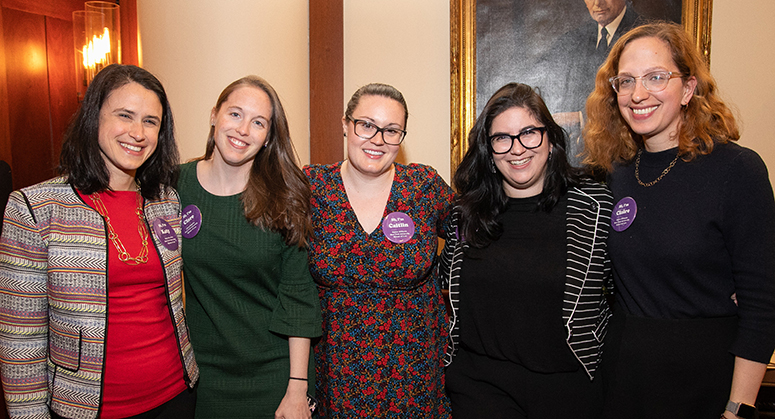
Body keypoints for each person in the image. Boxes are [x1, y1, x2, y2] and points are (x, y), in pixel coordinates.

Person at [583, 22, 775, 419]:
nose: (638, 94)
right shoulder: (614, 174)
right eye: (626, 81)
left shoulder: (736, 170)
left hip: (705, 382)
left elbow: (762, 303)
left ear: (688, 88)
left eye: (656, 77)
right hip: (623, 379)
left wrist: (737, 409)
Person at [0, 64, 199, 418]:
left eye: (151, 121)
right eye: (125, 115)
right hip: (85, 406)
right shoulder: (36, 208)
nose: (138, 133)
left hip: (175, 394)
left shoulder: (166, 202)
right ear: (94, 118)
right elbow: (20, 338)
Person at [441, 83, 613, 418]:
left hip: (570, 388)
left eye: (529, 133)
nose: (516, 148)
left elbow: (628, 285)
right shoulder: (464, 214)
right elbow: (444, 284)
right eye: (502, 138)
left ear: (550, 140)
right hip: (480, 389)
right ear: (489, 151)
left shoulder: (593, 205)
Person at [305, 83, 454, 418]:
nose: (378, 139)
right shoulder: (311, 187)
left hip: (412, 373)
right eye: (367, 125)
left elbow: (475, 238)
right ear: (346, 124)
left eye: (391, 131)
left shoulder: (422, 186)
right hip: (334, 374)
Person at [178, 75, 321, 419]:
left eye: (258, 123)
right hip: (201, 375)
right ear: (214, 115)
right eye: (235, 114)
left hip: (276, 375)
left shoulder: (284, 197)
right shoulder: (173, 186)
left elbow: (298, 297)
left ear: (269, 136)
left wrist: (297, 388)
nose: (243, 129)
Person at [539, 0, 643, 165]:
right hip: (582, 156)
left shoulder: (643, 35)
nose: (598, 2)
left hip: (629, 154)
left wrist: (580, 118)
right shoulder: (572, 39)